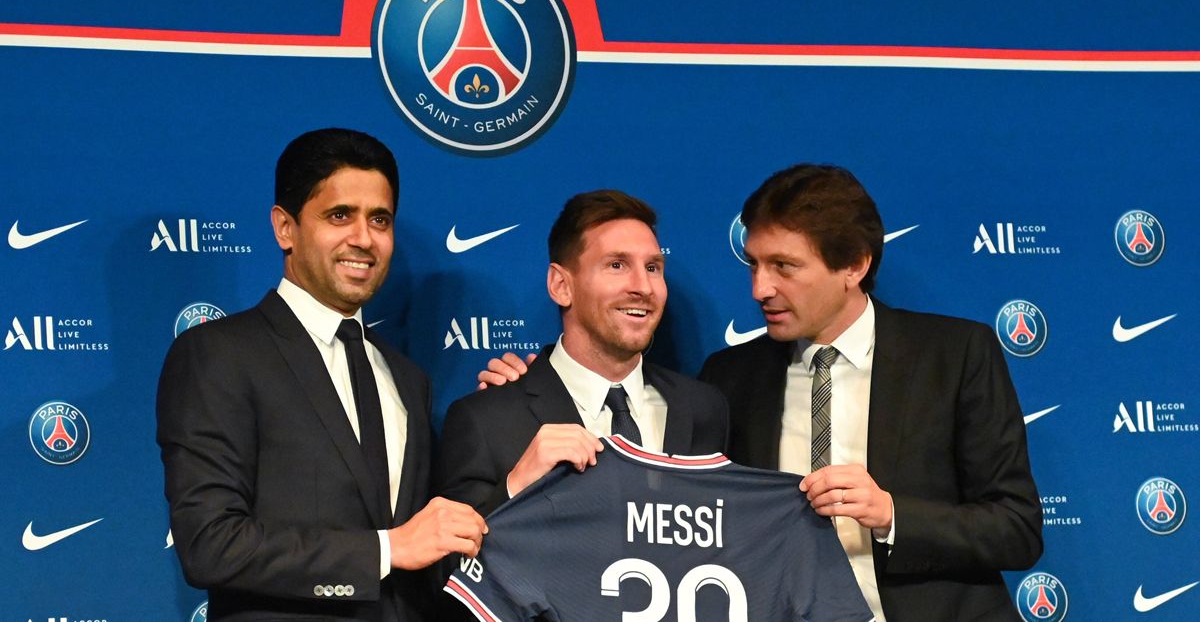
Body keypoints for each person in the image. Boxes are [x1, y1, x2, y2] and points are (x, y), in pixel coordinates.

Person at [481, 166, 1043, 621]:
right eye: (753, 264)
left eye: (783, 267)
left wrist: (891, 513)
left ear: (853, 264)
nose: (759, 289)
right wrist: (534, 385)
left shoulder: (956, 354)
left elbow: (1017, 529)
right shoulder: (728, 378)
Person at [156, 128, 486, 621]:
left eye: (380, 219)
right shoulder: (219, 355)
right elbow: (210, 543)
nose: (363, 238)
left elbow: (425, 548)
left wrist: (515, 475)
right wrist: (384, 550)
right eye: (339, 216)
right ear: (284, 228)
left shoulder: (406, 378)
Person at [436, 190, 729, 516]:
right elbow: (451, 561)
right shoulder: (487, 420)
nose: (643, 287)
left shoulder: (704, 409)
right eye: (617, 265)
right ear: (561, 285)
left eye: (653, 267)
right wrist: (515, 487)